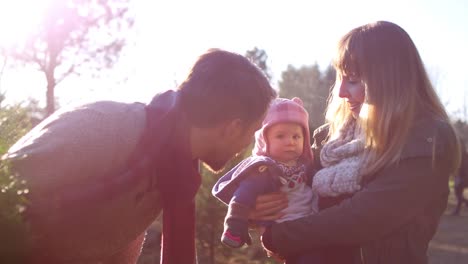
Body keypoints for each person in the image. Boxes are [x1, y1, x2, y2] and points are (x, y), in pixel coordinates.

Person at [2, 49, 276, 264]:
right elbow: (7, 192)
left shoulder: (173, 171)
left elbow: (119, 231)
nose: (248, 145)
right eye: (253, 131)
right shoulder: (104, 127)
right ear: (233, 127)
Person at [253, 21, 461, 264]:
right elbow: (284, 172)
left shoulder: (427, 139)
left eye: (352, 79)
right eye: (341, 77)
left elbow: (364, 218)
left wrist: (278, 237)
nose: (341, 91)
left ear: (388, 80)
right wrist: (252, 205)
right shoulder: (332, 139)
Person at [213, 97, 329, 263]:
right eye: (280, 136)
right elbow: (242, 196)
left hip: (309, 223)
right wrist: (235, 224)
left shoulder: (306, 165)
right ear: (264, 140)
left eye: (296, 136)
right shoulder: (264, 170)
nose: (290, 142)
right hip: (284, 229)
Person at [452, 139, 468, 215]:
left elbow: (464, 167)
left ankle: (457, 211)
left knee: (458, 192)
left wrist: (463, 177)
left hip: (464, 177)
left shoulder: (464, 155)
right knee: (458, 193)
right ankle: (457, 210)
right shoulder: (460, 154)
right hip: (461, 177)